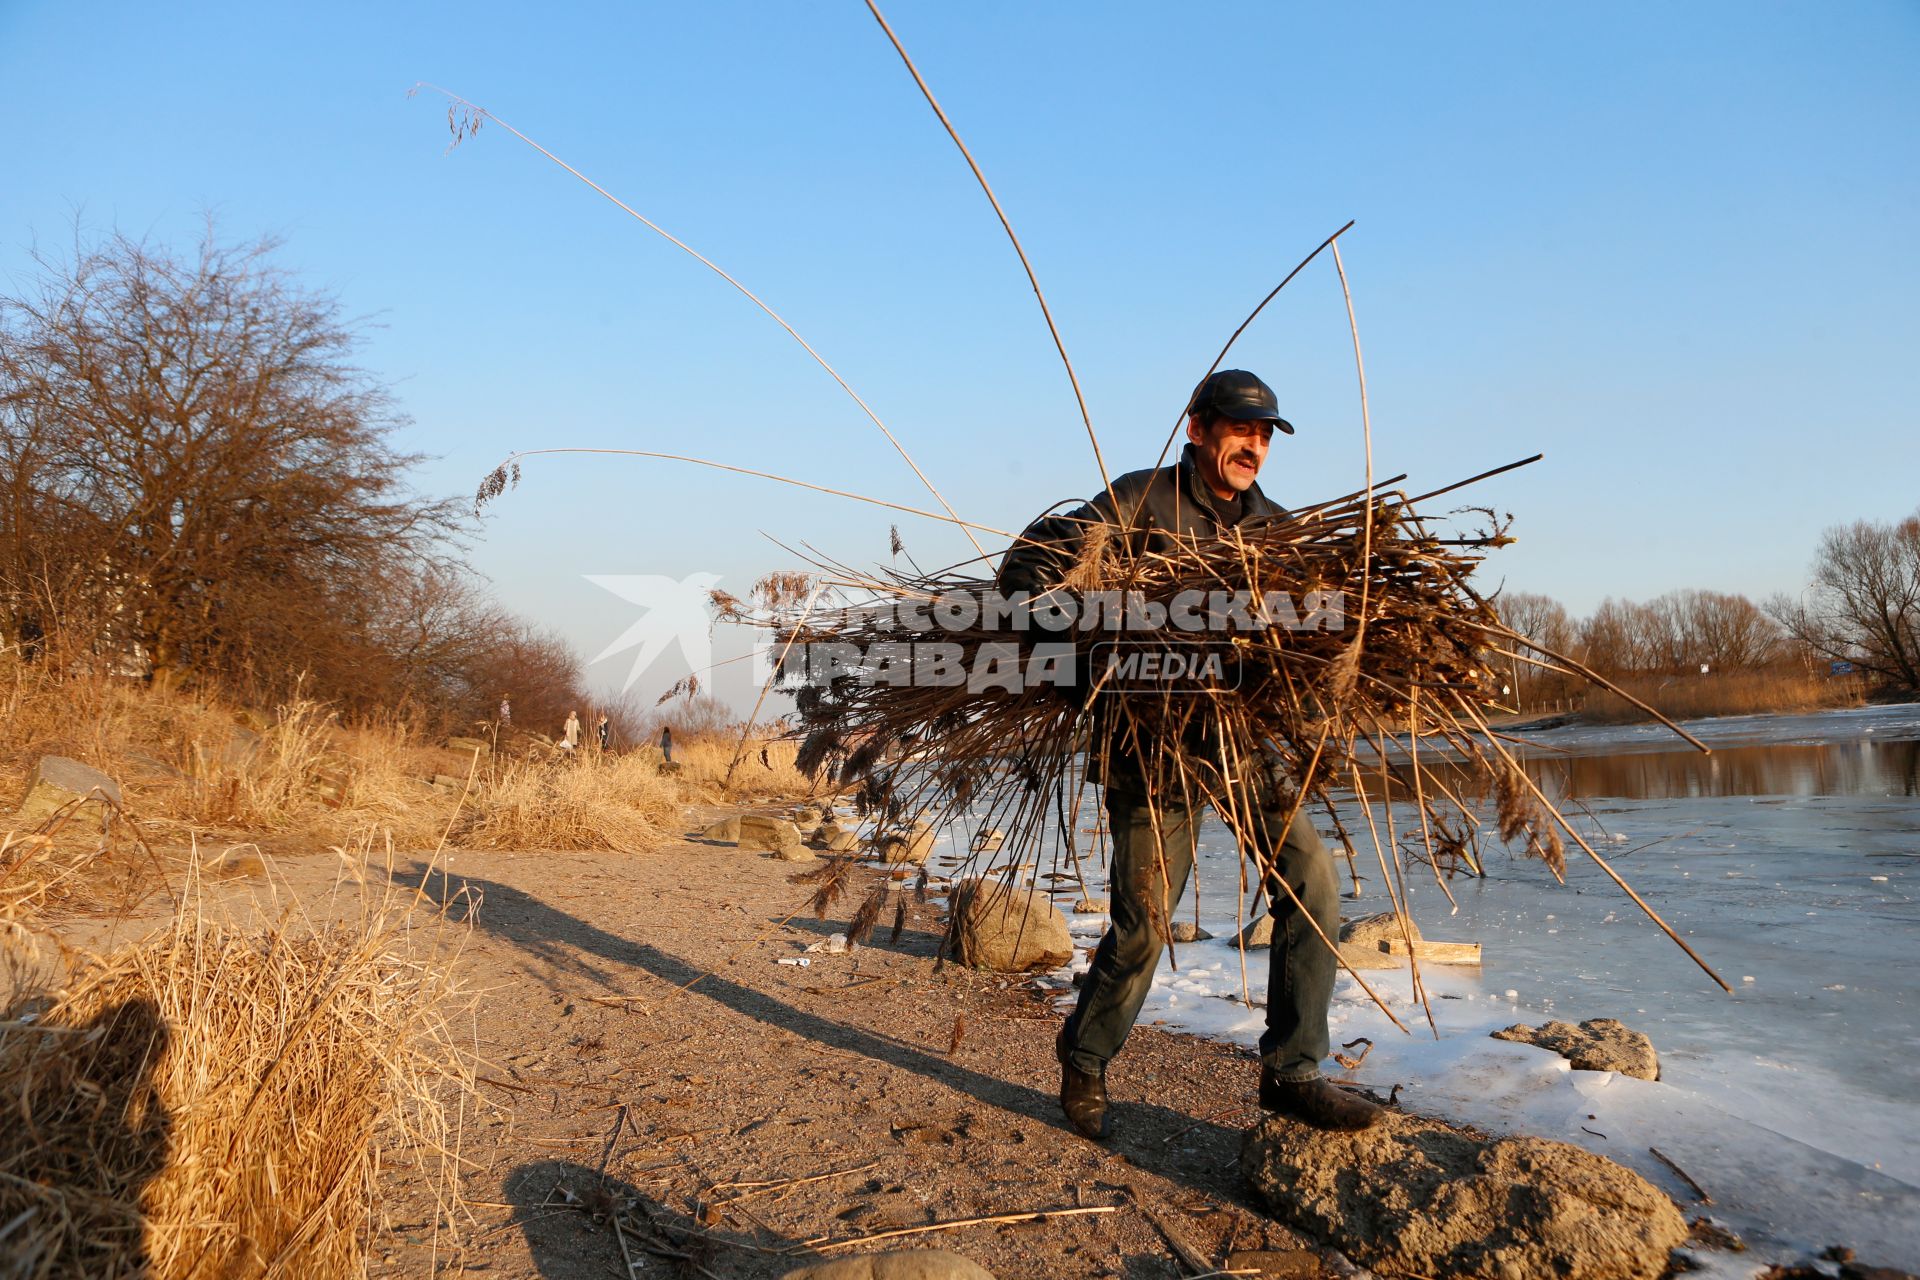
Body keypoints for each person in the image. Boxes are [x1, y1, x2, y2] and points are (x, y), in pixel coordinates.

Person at [998, 369, 1380, 1139]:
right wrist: (1073, 641)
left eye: (1267, 434)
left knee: (1312, 885)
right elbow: (1028, 569)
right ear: (1198, 429)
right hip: (1150, 743)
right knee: (1143, 924)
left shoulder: (1275, 528)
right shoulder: (1139, 501)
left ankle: (1293, 1071)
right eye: (1242, 428)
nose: (1256, 445)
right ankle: (1087, 1057)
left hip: (1240, 741)